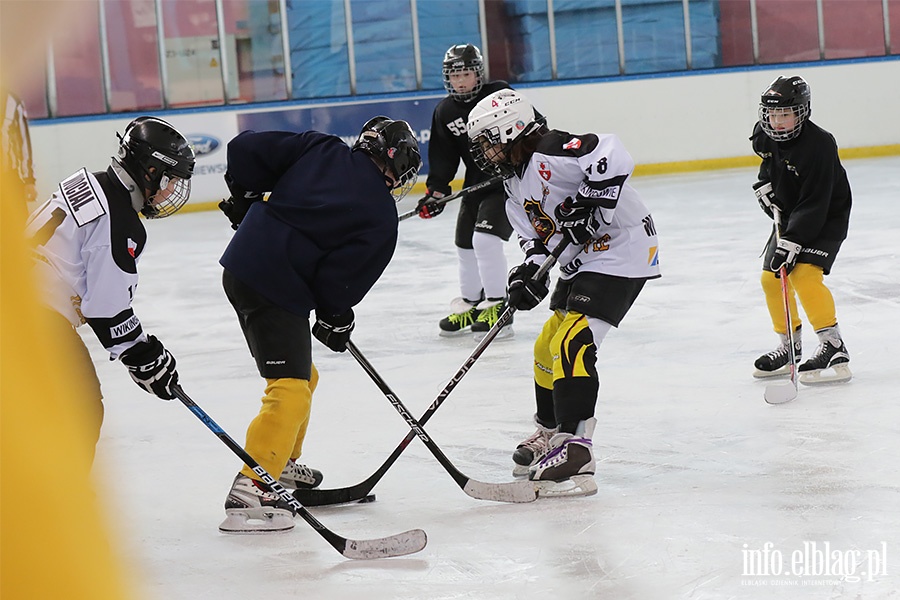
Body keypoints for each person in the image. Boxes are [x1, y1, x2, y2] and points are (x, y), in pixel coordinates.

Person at [216, 116, 421, 533]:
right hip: (275, 287)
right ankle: (254, 486)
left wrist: (246, 196)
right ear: (396, 166)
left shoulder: (321, 147)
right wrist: (336, 316)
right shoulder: (382, 214)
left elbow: (243, 150)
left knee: (303, 375)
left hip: (242, 270)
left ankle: (281, 464)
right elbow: (339, 283)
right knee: (289, 387)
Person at [466, 89, 660, 497]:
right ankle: (551, 431)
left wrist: (590, 201)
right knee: (546, 345)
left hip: (622, 247)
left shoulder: (552, 149)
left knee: (575, 339)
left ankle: (577, 447)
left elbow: (613, 154)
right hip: (585, 258)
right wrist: (527, 274)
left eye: (487, 139)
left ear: (510, 129)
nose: (483, 150)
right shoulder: (514, 186)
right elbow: (537, 241)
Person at [24, 116, 196, 463]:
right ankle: (58, 506)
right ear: (150, 171)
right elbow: (106, 308)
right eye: (170, 180)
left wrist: (140, 354)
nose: (169, 191)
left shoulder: (90, 182)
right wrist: (145, 356)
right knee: (81, 407)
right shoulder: (120, 220)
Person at [750, 75, 852, 385]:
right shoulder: (764, 135)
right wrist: (764, 183)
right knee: (771, 279)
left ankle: (833, 345)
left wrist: (793, 241)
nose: (777, 122)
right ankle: (788, 347)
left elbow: (816, 201)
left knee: (803, 275)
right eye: (772, 114)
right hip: (792, 213)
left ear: (802, 112)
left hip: (826, 215)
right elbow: (769, 162)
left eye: (785, 114)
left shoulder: (819, 144)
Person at [415, 44, 520, 340]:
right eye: (454, 75)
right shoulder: (445, 111)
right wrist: (436, 192)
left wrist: (522, 163)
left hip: (507, 185)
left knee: (485, 240)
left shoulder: (499, 95)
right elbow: (444, 160)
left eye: (466, 73)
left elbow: (531, 126)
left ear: (479, 74)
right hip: (476, 186)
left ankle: (499, 308)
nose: (460, 81)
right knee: (464, 245)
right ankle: (473, 305)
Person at [1, 89, 38, 208]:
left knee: (19, 224)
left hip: (8, 179)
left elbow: (23, 143)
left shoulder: (11, 101)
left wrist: (29, 180)